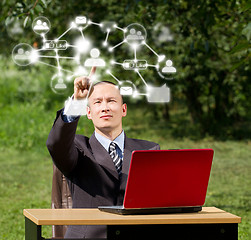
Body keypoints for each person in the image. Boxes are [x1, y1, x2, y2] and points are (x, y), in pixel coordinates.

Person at [46, 67, 160, 239]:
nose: (105, 107)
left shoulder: (149, 150)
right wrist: (77, 102)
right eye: (98, 102)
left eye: (111, 101)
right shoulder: (77, 147)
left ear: (123, 110)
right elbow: (56, 144)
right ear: (89, 113)